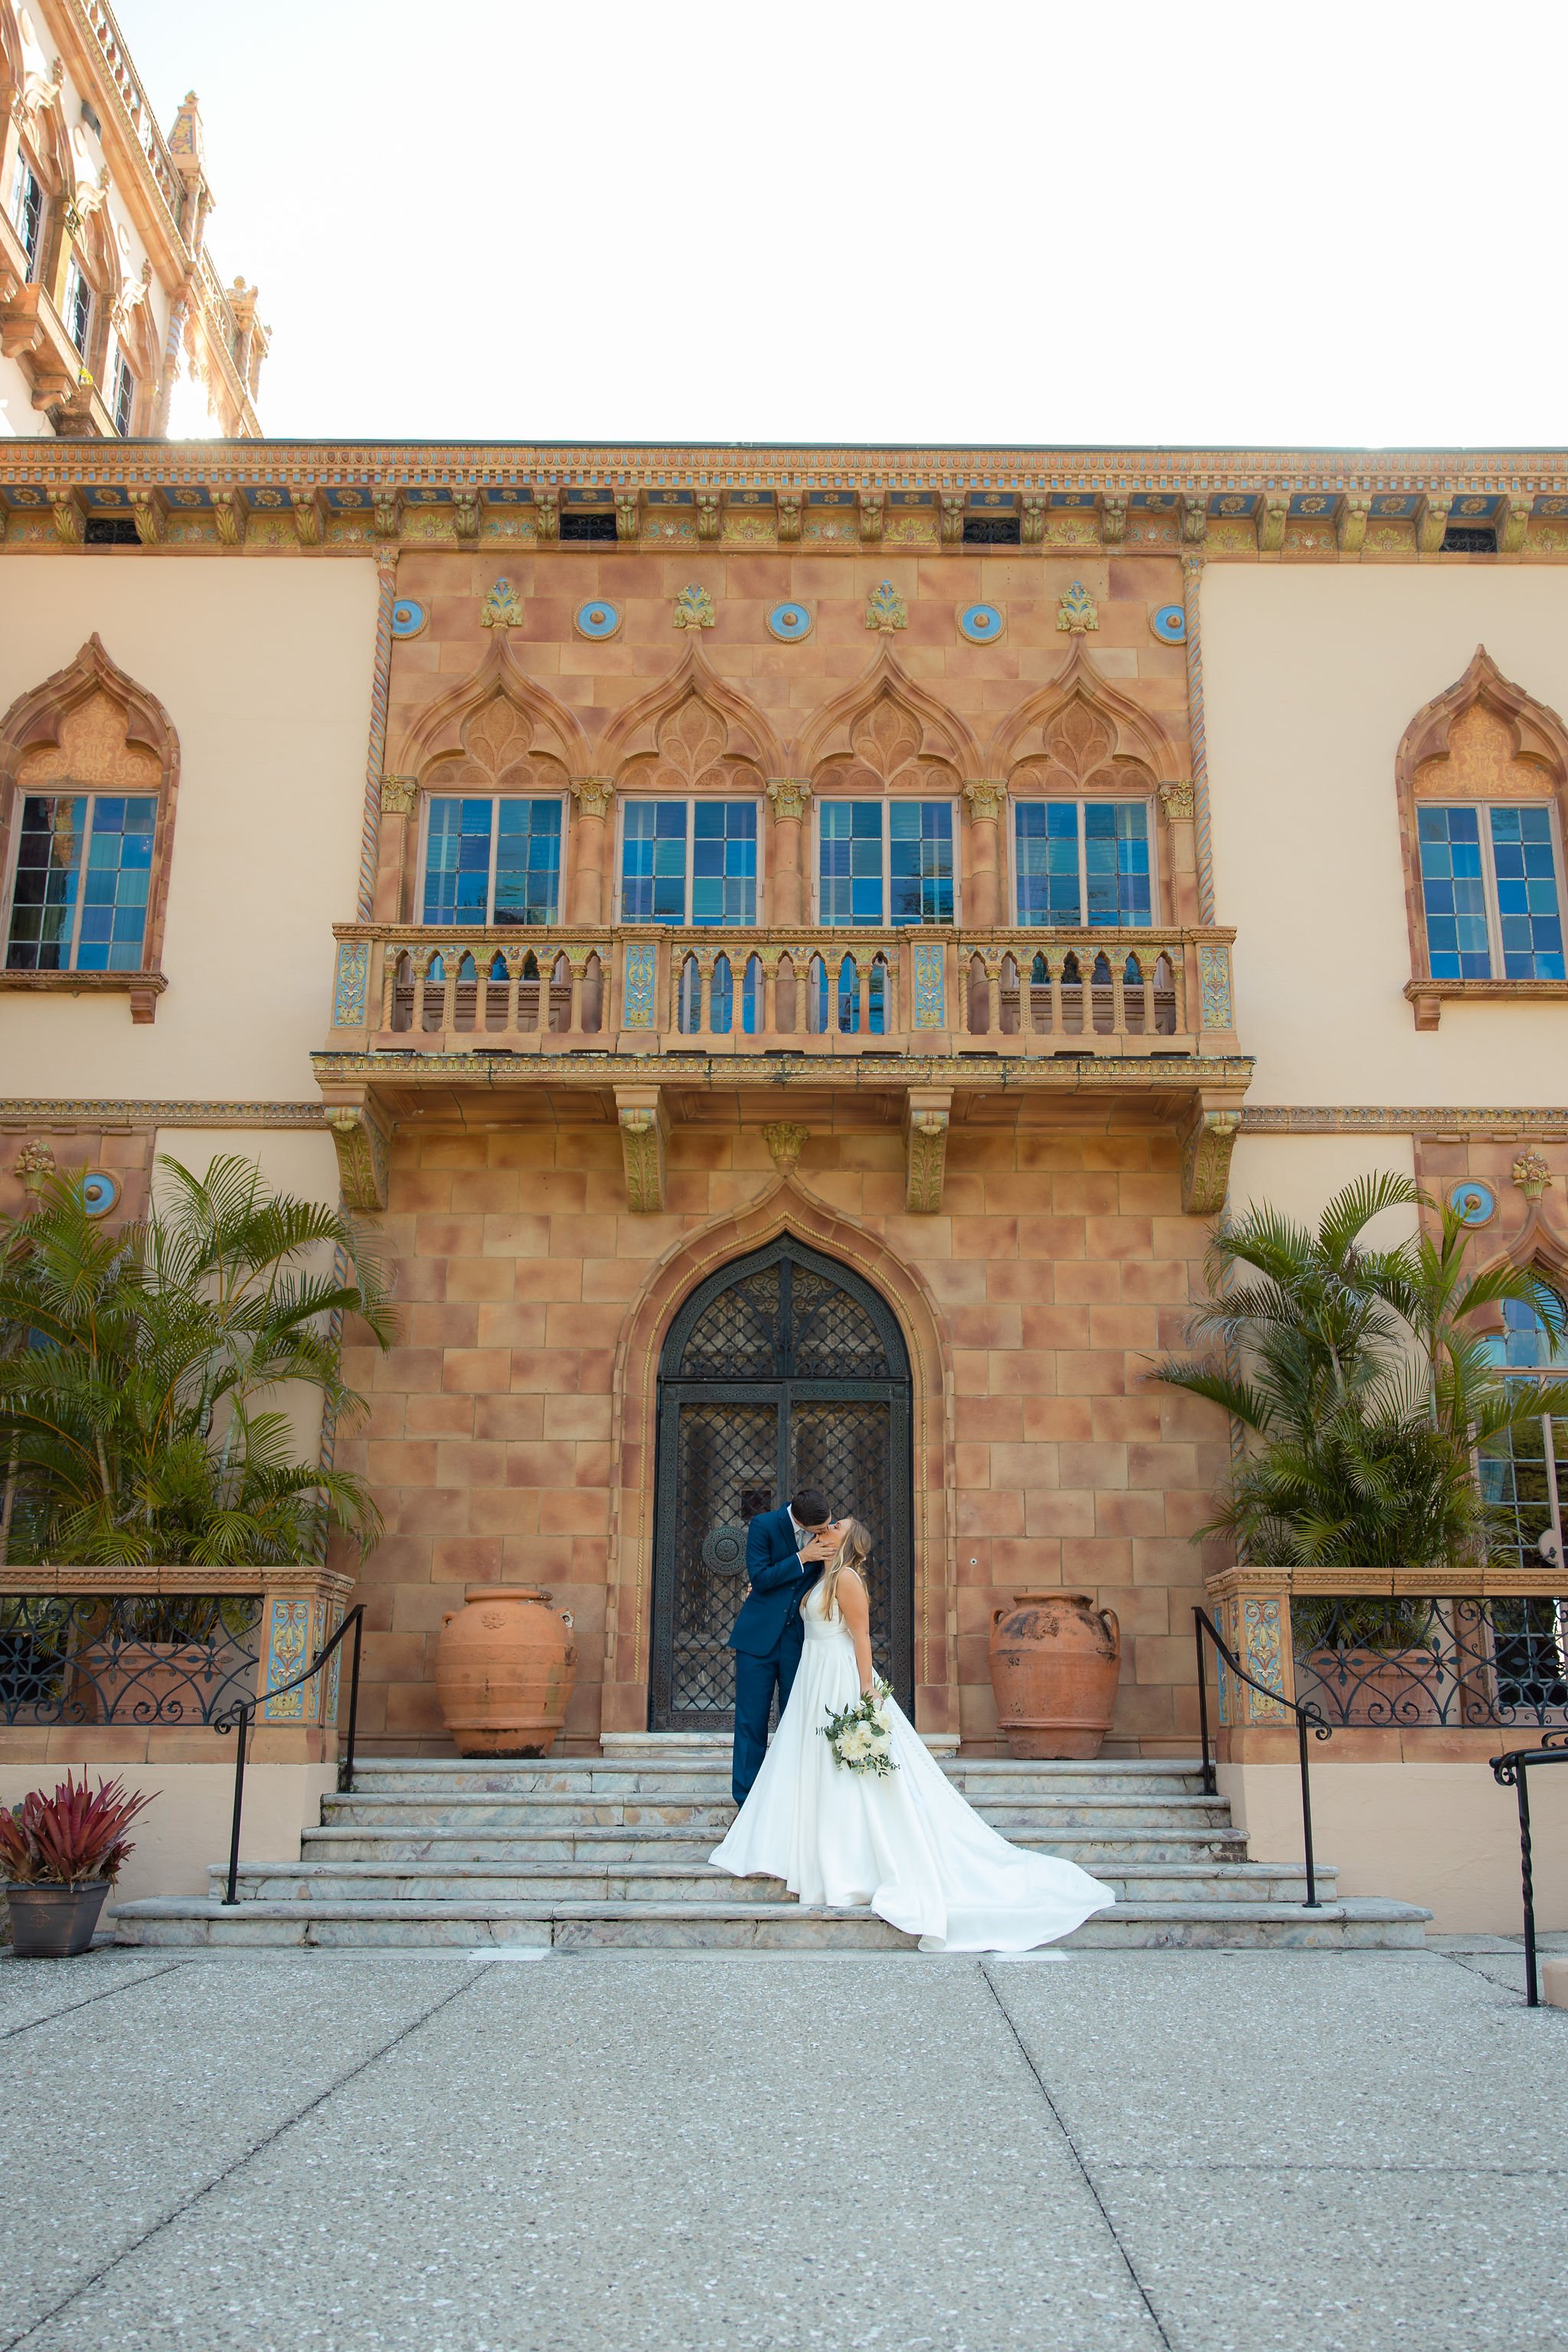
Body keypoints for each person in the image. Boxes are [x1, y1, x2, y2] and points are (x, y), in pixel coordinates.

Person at [711, 1518, 1116, 1952]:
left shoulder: (846, 1578)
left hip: (838, 1678)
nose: (826, 1527)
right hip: (814, 1679)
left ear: (845, 1541)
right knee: (814, 1764)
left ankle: (843, 1860)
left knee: (847, 1772)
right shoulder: (820, 1574)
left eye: (836, 1526)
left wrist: (866, 1691)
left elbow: (861, 1637)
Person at [727, 1485, 837, 1808]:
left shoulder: (826, 1529)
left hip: (801, 1643)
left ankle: (790, 1802)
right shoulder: (764, 1525)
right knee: (751, 1721)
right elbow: (759, 1578)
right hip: (757, 1639)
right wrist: (803, 1557)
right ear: (800, 1523)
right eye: (818, 1530)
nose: (825, 1532)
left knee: (796, 1720)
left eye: (828, 1525)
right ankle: (746, 1803)